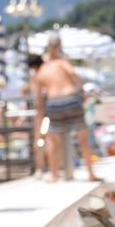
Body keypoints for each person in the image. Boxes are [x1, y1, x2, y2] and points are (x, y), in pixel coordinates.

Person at [32, 32, 97, 181]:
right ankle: (91, 174)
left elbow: (39, 100)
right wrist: (82, 94)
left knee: (54, 141)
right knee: (83, 139)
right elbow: (76, 77)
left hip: (53, 103)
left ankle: (54, 174)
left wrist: (40, 118)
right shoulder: (62, 63)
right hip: (71, 99)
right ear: (59, 47)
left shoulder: (41, 70)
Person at [27, 54, 48, 178]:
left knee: (40, 140)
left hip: (43, 113)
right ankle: (47, 168)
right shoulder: (47, 74)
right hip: (50, 112)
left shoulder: (38, 77)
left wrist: (39, 115)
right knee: (47, 140)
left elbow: (38, 99)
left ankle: (40, 169)